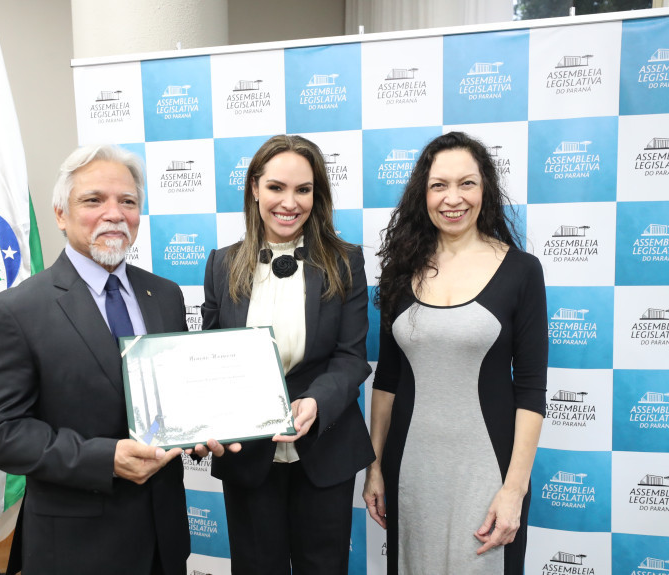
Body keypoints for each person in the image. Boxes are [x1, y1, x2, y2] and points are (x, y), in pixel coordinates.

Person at [0, 144, 230, 575]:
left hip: (163, 537)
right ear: (60, 214)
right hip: (77, 546)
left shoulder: (164, 295)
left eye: (127, 202)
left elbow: (175, 404)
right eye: (94, 200)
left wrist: (199, 431)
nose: (114, 213)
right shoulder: (15, 311)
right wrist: (104, 459)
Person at [362, 131, 548, 575]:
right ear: (422, 194)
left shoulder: (521, 271)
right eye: (439, 185)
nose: (453, 198)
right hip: (411, 470)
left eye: (467, 183)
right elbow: (386, 383)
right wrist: (374, 468)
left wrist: (514, 489)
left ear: (485, 188)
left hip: (488, 471)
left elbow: (531, 389)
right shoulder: (399, 272)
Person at [201, 134, 375, 575]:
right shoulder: (222, 264)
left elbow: (352, 357)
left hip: (326, 448)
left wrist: (317, 402)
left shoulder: (345, 261)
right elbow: (209, 358)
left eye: (303, 189)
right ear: (254, 188)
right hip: (246, 454)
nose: (289, 202)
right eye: (276, 187)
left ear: (317, 195)